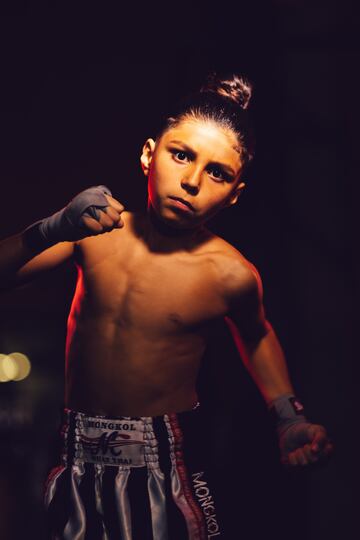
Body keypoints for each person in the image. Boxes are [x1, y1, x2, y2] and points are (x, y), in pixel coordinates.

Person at [0, 72, 333, 539]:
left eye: (217, 172)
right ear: (148, 155)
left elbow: (257, 334)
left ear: (235, 194)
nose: (193, 180)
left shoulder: (230, 273)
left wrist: (288, 418)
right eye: (181, 155)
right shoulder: (95, 235)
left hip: (167, 468)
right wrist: (50, 228)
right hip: (73, 458)